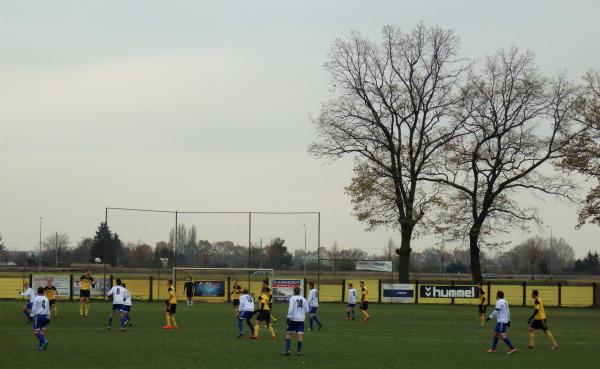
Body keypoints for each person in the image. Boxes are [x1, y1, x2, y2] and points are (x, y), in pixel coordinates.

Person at [282, 286, 309, 356]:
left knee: (288, 334)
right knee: (300, 336)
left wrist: (288, 317)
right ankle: (299, 352)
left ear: (294, 291)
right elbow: (307, 310)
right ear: (299, 291)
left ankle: (288, 351)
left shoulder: (292, 298)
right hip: (301, 320)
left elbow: (290, 309)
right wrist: (301, 314)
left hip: (293, 319)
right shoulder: (304, 299)